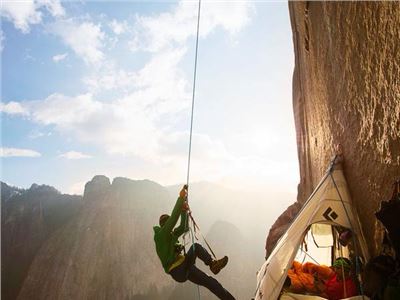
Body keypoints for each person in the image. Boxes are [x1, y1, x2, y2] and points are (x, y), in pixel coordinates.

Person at [153, 185, 235, 300]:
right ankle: (212, 264)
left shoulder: (171, 235)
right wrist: (181, 199)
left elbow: (184, 227)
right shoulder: (161, 237)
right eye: (168, 226)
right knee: (196, 248)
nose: (171, 229)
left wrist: (183, 211)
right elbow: (172, 220)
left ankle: (213, 265)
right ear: (164, 226)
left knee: (211, 282)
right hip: (178, 269)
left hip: (183, 267)